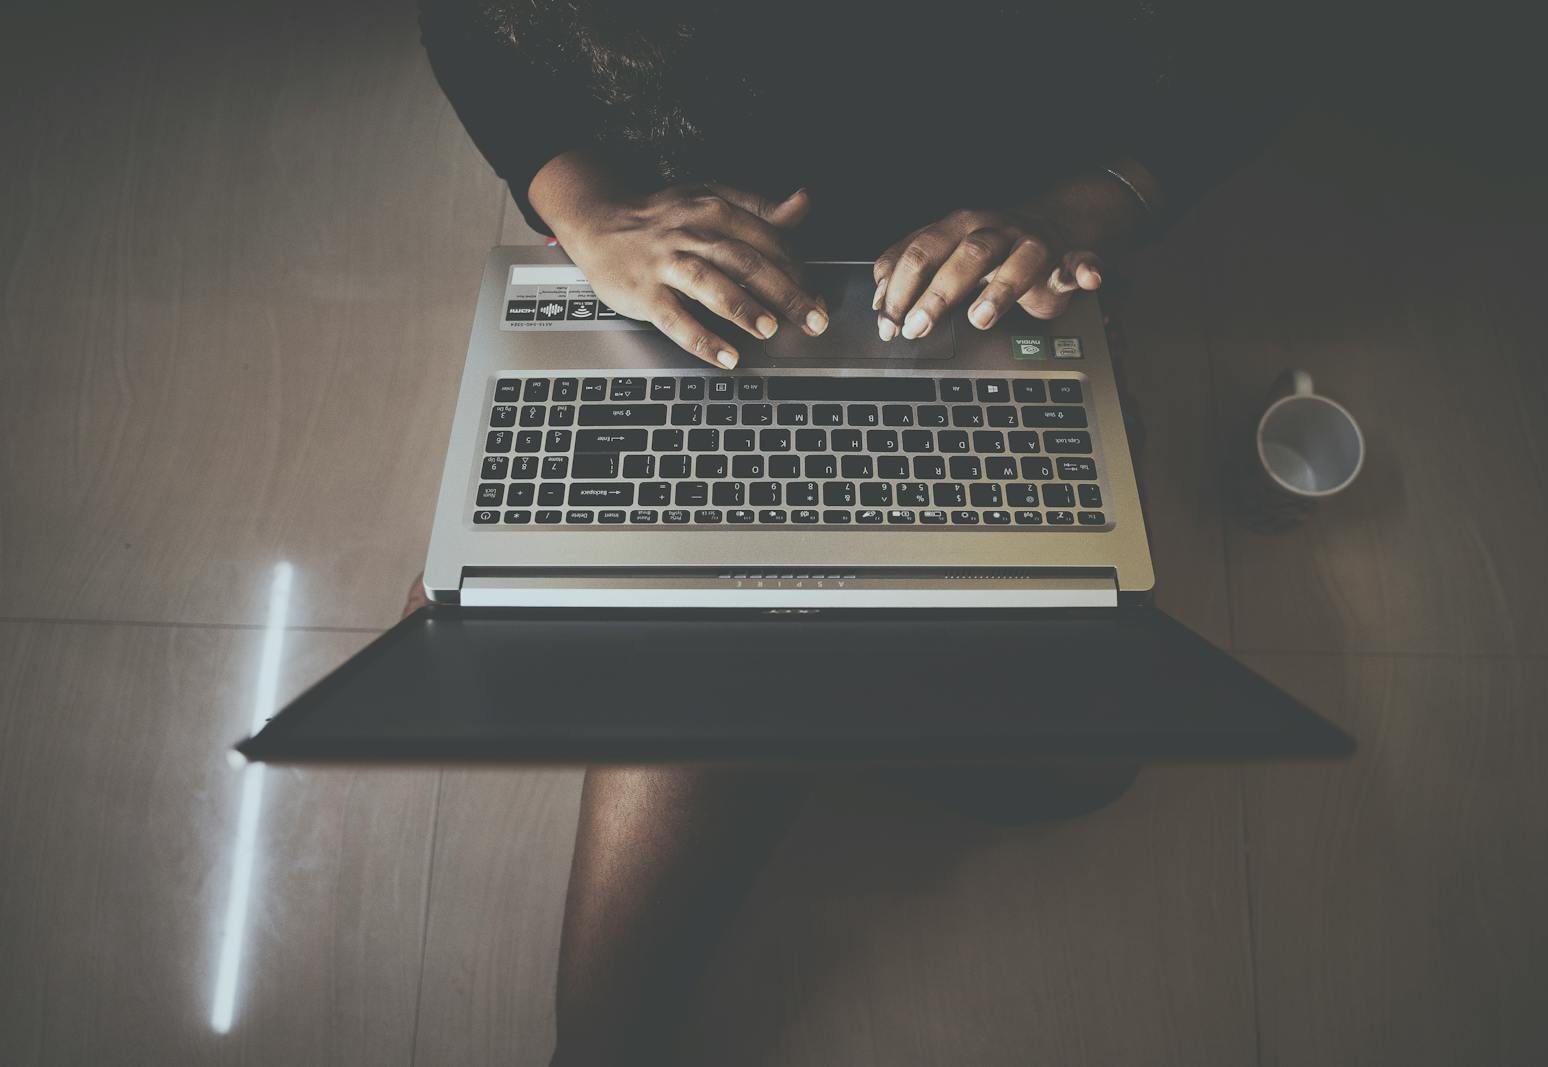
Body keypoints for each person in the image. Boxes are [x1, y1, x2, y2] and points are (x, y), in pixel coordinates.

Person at [418, 1, 1308, 1061]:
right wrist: (589, 207)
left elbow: (1269, 50)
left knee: (1075, 768)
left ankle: (767, 700)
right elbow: (474, 26)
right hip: (701, 280)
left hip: (984, 281)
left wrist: (1086, 207)